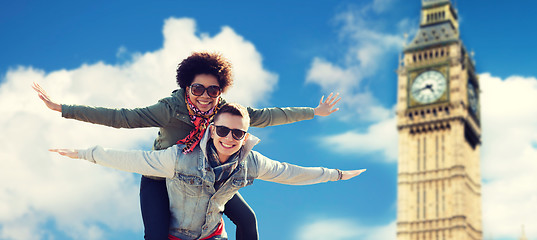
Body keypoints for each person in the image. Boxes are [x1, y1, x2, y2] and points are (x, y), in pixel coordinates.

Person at [33, 51, 341, 240]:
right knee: (156, 235)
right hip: (163, 176)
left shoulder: (228, 113)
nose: (205, 96)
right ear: (186, 87)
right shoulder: (170, 108)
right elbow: (122, 118)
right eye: (197, 89)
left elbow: (270, 116)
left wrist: (314, 112)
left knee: (247, 219)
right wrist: (63, 108)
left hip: (205, 177)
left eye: (213, 90)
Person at [50, 103, 366, 240]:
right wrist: (84, 154)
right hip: (175, 234)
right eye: (224, 131)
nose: (230, 138)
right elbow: (132, 158)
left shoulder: (251, 162)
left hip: (211, 235)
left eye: (238, 134)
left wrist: (336, 174)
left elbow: (292, 173)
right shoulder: (179, 157)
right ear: (211, 129)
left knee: (248, 219)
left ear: (245, 135)